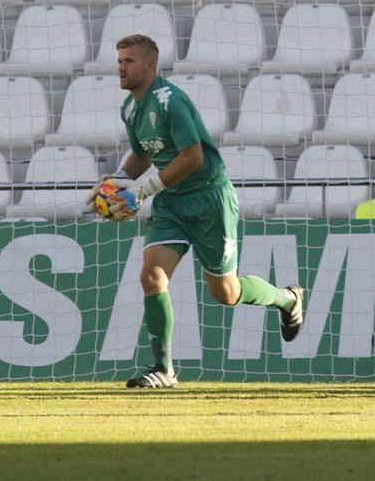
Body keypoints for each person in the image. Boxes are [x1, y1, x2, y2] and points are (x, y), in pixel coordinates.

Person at [88, 34, 305, 388]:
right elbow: (143, 154)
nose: (121, 68)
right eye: (119, 61)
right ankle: (163, 370)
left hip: (209, 199)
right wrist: (115, 181)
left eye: (128, 61)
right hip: (171, 202)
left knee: (226, 294)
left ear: (150, 66)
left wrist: (141, 191)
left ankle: (287, 299)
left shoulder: (171, 101)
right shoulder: (130, 108)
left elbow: (193, 156)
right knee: (151, 276)